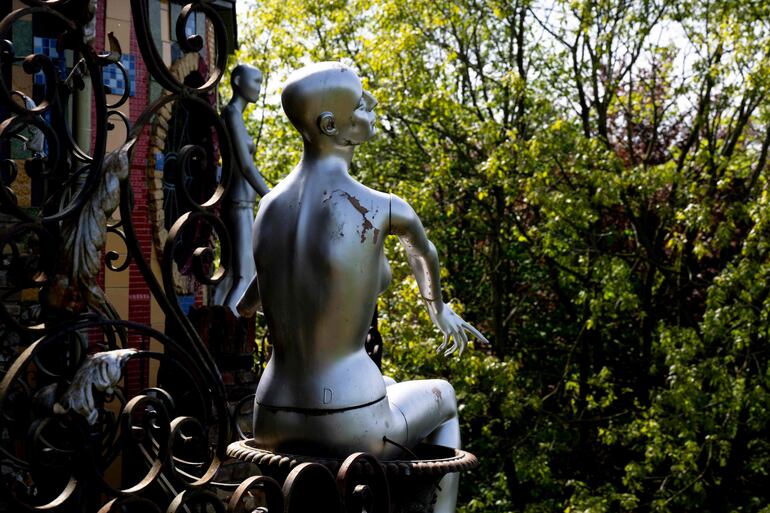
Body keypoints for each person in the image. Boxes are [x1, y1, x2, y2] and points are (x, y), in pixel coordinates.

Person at [237, 62, 486, 513]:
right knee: (444, 398)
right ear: (330, 125)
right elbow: (424, 255)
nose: (371, 107)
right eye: (360, 104)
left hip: (271, 413)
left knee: (387, 384)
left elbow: (246, 305)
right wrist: (438, 307)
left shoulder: (268, 209)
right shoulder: (382, 208)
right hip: (345, 419)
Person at [214, 64, 270, 312]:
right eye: (256, 81)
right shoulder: (232, 114)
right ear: (237, 80)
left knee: (228, 277)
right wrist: (272, 196)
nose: (259, 87)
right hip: (238, 203)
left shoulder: (235, 115)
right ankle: (230, 340)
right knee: (244, 277)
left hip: (241, 203)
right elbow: (246, 167)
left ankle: (210, 332)